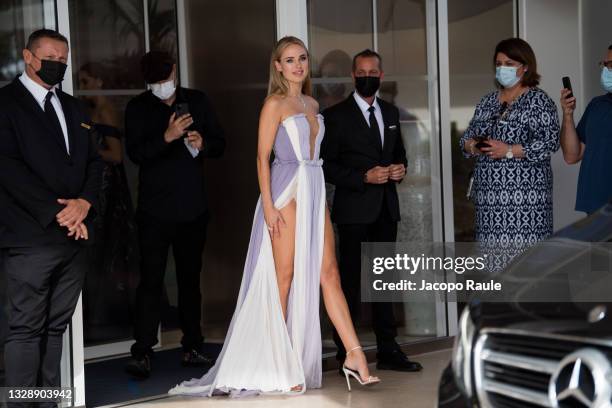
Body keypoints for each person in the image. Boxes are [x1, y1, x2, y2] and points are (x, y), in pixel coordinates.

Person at [168, 36, 379, 397]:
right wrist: (268, 204)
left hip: (314, 190)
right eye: (290, 60)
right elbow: (261, 156)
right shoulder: (274, 104)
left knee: (329, 274)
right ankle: (276, 365)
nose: (298, 65)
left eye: (302, 58)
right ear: (278, 66)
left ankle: (355, 356)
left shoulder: (312, 102)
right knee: (284, 278)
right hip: (286, 192)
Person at [0, 29, 103, 402]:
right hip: (30, 237)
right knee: (26, 328)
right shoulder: (6, 104)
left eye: (63, 58)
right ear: (28, 56)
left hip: (74, 236)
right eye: (49, 56)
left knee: (55, 327)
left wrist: (84, 204)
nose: (57, 63)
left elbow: (94, 163)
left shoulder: (75, 108)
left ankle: (48, 400)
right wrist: (58, 212)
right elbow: (8, 168)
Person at [124, 51, 225, 378]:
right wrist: (166, 137)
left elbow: (221, 143)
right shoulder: (138, 107)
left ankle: (192, 345)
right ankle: (142, 351)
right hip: (154, 211)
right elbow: (136, 154)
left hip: (193, 208)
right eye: (155, 82)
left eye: (166, 79)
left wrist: (201, 143)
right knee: (150, 282)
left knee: (189, 281)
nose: (162, 86)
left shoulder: (197, 100)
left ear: (175, 73)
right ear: (147, 82)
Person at [321, 49, 422, 372]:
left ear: (380, 75)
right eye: (361, 71)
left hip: (385, 210)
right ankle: (346, 353)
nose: (367, 76)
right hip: (352, 211)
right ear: (353, 76)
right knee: (349, 282)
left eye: (372, 71)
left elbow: (400, 155)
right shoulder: (335, 116)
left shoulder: (391, 113)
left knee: (384, 282)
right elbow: (327, 166)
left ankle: (388, 350)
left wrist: (399, 169)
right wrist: (363, 177)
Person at [460, 38, 560, 271]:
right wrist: (475, 146)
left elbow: (549, 142)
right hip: (489, 205)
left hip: (525, 206)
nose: (502, 68)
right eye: (498, 63)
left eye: (509, 62)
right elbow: (465, 140)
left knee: (527, 270)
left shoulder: (539, 101)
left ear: (525, 66)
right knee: (493, 271)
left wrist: (508, 151)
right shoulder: (486, 102)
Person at [78, 63, 139, 343]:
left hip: (108, 188)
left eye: (86, 80)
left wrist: (90, 151)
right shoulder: (90, 110)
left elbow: (115, 155)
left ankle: (108, 312)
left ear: (100, 81)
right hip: (97, 184)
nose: (83, 85)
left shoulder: (106, 110)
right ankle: (97, 311)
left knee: (109, 246)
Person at [560, 44, 612, 215]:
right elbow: (572, 156)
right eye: (604, 65)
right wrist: (568, 115)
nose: (606, 70)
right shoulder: (597, 105)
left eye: (610, 65)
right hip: (597, 210)